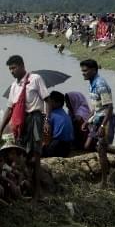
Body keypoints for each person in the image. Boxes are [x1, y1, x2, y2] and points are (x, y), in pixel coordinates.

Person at [0, 55, 48, 200]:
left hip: (35, 118)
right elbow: (9, 109)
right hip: (21, 121)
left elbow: (47, 99)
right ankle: (27, 186)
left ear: (21, 66)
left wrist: (47, 120)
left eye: (14, 68)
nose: (12, 71)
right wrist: (1, 128)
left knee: (36, 154)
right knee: (23, 154)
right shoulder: (14, 86)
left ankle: (38, 192)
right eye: (10, 69)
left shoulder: (35, 79)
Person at [80, 59, 115, 188]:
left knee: (101, 149)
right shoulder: (92, 83)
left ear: (94, 70)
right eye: (82, 71)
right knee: (90, 146)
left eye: (85, 71)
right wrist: (87, 121)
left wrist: (103, 126)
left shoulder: (100, 85)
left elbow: (109, 107)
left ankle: (104, 182)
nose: (83, 73)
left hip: (106, 119)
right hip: (98, 118)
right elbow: (96, 106)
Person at [42, 91, 74, 158]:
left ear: (58, 103)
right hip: (69, 146)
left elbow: (47, 134)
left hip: (58, 145)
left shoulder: (52, 115)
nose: (49, 104)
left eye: (51, 102)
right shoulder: (64, 114)